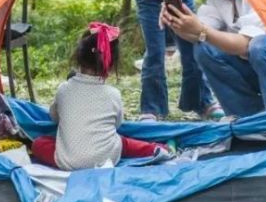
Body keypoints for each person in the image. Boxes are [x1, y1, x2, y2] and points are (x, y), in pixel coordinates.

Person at [31, 23, 173, 170]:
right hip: (107, 158)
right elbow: (117, 125)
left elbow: (54, 117)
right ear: (111, 65)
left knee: (39, 143)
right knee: (124, 143)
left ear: (79, 57)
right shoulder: (113, 94)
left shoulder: (63, 89)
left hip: (69, 163)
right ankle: (158, 149)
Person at [162, 0, 266, 118]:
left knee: (260, 45)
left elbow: (245, 45)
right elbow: (198, 35)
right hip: (256, 71)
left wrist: (202, 30)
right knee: (205, 47)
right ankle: (249, 118)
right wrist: (177, 24)